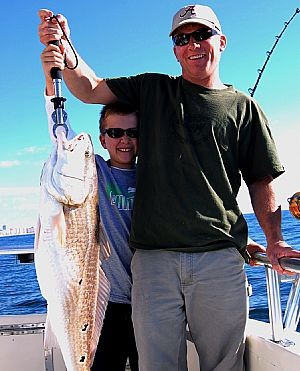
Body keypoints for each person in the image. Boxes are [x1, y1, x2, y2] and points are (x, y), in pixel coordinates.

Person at [38, 5, 300, 371]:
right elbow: (89, 88)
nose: (192, 44)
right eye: (182, 38)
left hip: (219, 258)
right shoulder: (152, 88)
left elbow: (262, 180)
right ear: (175, 50)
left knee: (224, 364)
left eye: (201, 35)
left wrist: (274, 240)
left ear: (221, 42)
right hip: (153, 261)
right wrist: (65, 46)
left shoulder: (245, 108)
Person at [41, 52, 139, 371]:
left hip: (148, 303)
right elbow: (60, 131)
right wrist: (51, 76)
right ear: (103, 139)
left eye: (132, 133)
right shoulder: (93, 171)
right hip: (103, 303)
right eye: (114, 133)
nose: (123, 140)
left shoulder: (154, 176)